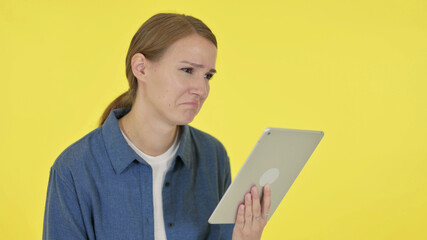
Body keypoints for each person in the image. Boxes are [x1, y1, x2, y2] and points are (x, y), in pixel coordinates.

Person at [43, 13, 271, 240]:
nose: (201, 90)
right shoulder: (73, 170)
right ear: (141, 68)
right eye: (188, 70)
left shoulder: (213, 156)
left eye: (208, 76)